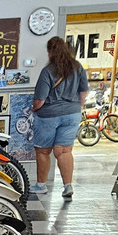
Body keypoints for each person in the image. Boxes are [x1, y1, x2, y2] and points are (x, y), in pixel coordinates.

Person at [31, 36, 89, 200]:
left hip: (49, 115)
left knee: (43, 151)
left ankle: (41, 186)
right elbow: (83, 92)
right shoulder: (77, 67)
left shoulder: (48, 71)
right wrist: (76, 107)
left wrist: (33, 108)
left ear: (50, 51)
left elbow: (40, 100)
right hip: (72, 114)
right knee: (64, 151)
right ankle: (67, 186)